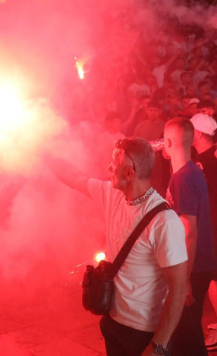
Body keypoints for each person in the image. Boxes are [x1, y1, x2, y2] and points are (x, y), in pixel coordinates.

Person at [44, 138, 188, 356]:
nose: (109, 168)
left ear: (129, 173)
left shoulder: (164, 221)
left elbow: (178, 288)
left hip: (143, 332)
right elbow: (74, 177)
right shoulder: (112, 195)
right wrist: (42, 153)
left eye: (114, 163)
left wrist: (158, 346)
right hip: (112, 321)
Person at [164, 118, 217, 355]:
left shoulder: (184, 178)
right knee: (188, 333)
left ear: (168, 142)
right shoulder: (191, 171)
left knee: (185, 335)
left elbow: (189, 233)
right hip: (198, 264)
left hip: (192, 267)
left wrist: (183, 280)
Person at [190, 114, 217, 350]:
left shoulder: (212, 156)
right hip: (209, 225)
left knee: (213, 278)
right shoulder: (200, 157)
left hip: (213, 226)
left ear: (198, 133)